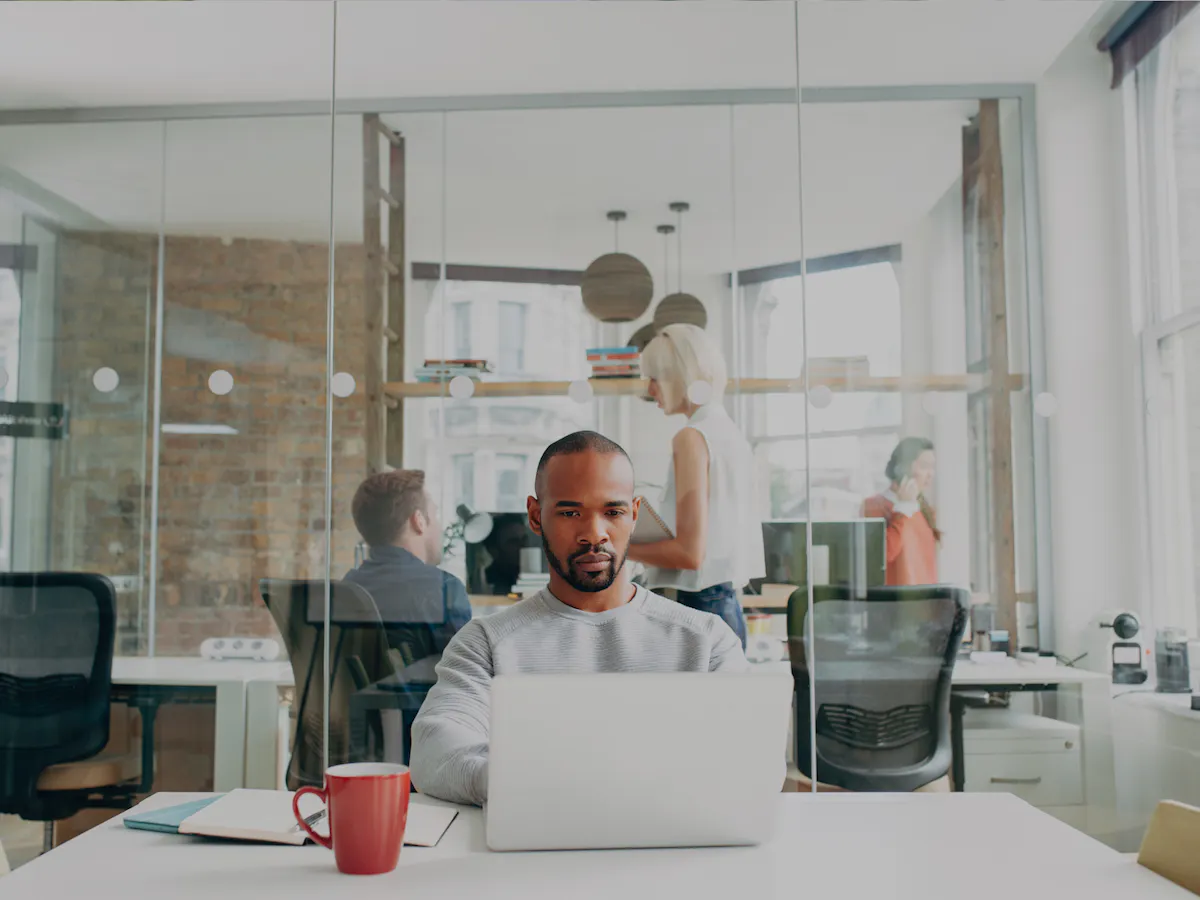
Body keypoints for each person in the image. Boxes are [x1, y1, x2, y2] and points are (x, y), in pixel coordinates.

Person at [410, 431, 747, 806]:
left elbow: (751, 757)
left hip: (672, 838)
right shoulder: (486, 643)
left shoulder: (707, 641)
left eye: (613, 512)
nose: (594, 534)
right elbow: (433, 749)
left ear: (634, 514)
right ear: (536, 516)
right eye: (570, 513)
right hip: (535, 838)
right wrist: (540, 783)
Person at [626, 323, 765, 649]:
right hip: (725, 607)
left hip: (697, 610)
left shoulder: (691, 438)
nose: (650, 389)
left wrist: (618, 546)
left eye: (656, 378)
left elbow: (689, 554)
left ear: (679, 377)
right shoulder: (729, 433)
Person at [344, 470, 473, 664]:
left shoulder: (347, 589)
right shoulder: (444, 589)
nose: (439, 526)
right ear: (419, 520)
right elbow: (467, 674)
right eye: (435, 515)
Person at [861, 437, 941, 586]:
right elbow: (882, 556)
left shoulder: (925, 509)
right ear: (902, 468)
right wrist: (902, 509)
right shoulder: (874, 506)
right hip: (894, 599)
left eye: (932, 467)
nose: (931, 474)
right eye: (924, 466)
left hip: (926, 598)